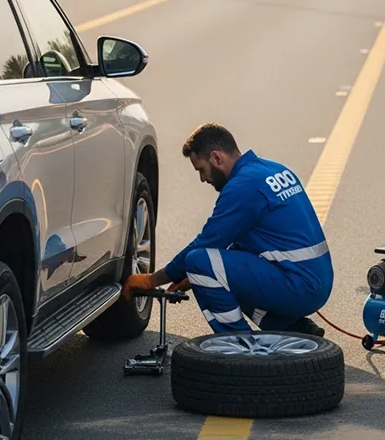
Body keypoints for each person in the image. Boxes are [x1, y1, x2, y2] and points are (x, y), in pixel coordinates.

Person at [122, 123, 331, 336]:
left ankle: (241, 346)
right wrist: (192, 277)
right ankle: (291, 327)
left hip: (299, 287)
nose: (203, 179)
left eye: (201, 170)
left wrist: (152, 280)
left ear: (217, 158)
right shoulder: (272, 169)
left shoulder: (242, 186)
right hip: (316, 279)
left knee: (197, 261)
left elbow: (207, 243)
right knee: (223, 263)